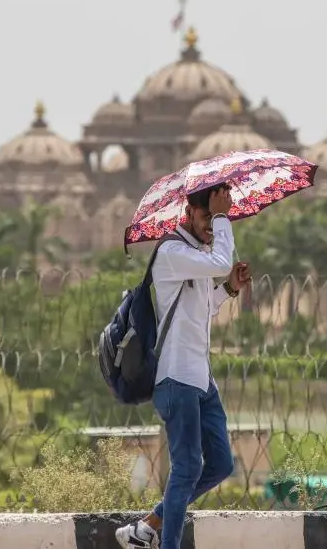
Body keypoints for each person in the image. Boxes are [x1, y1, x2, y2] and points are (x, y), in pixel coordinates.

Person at [116, 183, 252, 549]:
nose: (212, 225)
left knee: (221, 464)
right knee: (188, 467)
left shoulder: (198, 254)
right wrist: (224, 217)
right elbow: (221, 261)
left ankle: (147, 526)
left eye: (216, 217)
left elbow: (202, 309)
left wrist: (230, 289)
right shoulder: (172, 252)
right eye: (207, 216)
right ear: (188, 214)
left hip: (201, 380)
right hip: (177, 380)